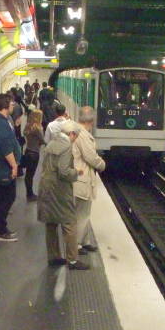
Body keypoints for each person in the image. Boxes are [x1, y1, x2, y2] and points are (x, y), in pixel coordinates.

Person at [38, 120, 88, 270]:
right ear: (71, 134)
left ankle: (53, 257)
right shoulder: (66, 146)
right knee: (69, 221)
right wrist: (76, 173)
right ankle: (72, 260)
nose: (76, 139)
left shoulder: (52, 142)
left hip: (46, 185)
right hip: (59, 188)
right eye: (76, 136)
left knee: (51, 222)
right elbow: (64, 171)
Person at [0, 93, 22, 241]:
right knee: (5, 198)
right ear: (5, 106)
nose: (13, 105)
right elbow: (6, 147)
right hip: (3, 168)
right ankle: (1, 230)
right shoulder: (0, 123)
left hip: (0, 167)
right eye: (11, 103)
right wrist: (14, 166)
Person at [72, 107, 106, 254]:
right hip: (81, 179)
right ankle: (77, 244)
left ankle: (84, 241)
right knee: (82, 214)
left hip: (81, 178)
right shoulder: (82, 135)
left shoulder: (78, 131)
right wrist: (102, 165)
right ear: (91, 121)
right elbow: (90, 156)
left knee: (84, 213)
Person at [23, 109, 44, 201]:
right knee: (31, 175)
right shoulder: (38, 128)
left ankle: (29, 193)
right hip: (35, 153)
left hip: (28, 151)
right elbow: (42, 140)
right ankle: (30, 194)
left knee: (28, 175)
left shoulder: (28, 126)